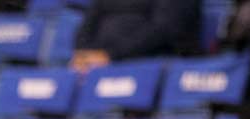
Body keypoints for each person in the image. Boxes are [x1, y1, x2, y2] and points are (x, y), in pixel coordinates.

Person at [71, 0, 201, 73]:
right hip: (100, 61)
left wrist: (110, 55)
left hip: (149, 59)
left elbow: (163, 30)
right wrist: (83, 53)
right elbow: (87, 25)